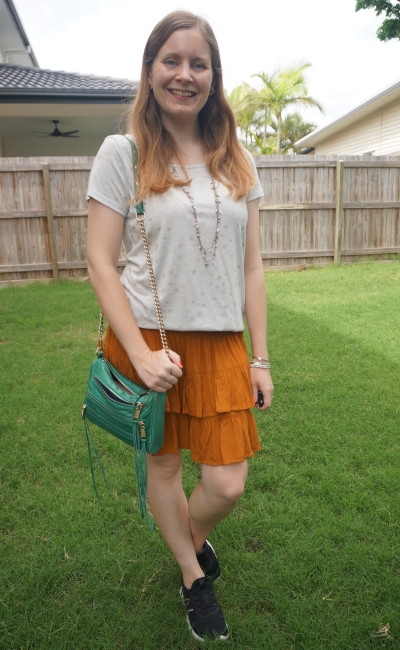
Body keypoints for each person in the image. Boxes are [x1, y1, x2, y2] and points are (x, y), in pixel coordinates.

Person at [86, 10, 273, 643]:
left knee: (226, 482)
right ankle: (194, 577)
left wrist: (262, 358)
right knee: (164, 472)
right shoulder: (125, 151)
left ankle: (186, 541)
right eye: (172, 61)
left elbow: (252, 270)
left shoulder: (237, 159)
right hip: (151, 342)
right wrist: (138, 355)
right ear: (150, 70)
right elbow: (99, 261)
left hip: (221, 343)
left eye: (198, 64)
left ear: (214, 76)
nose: (184, 75)